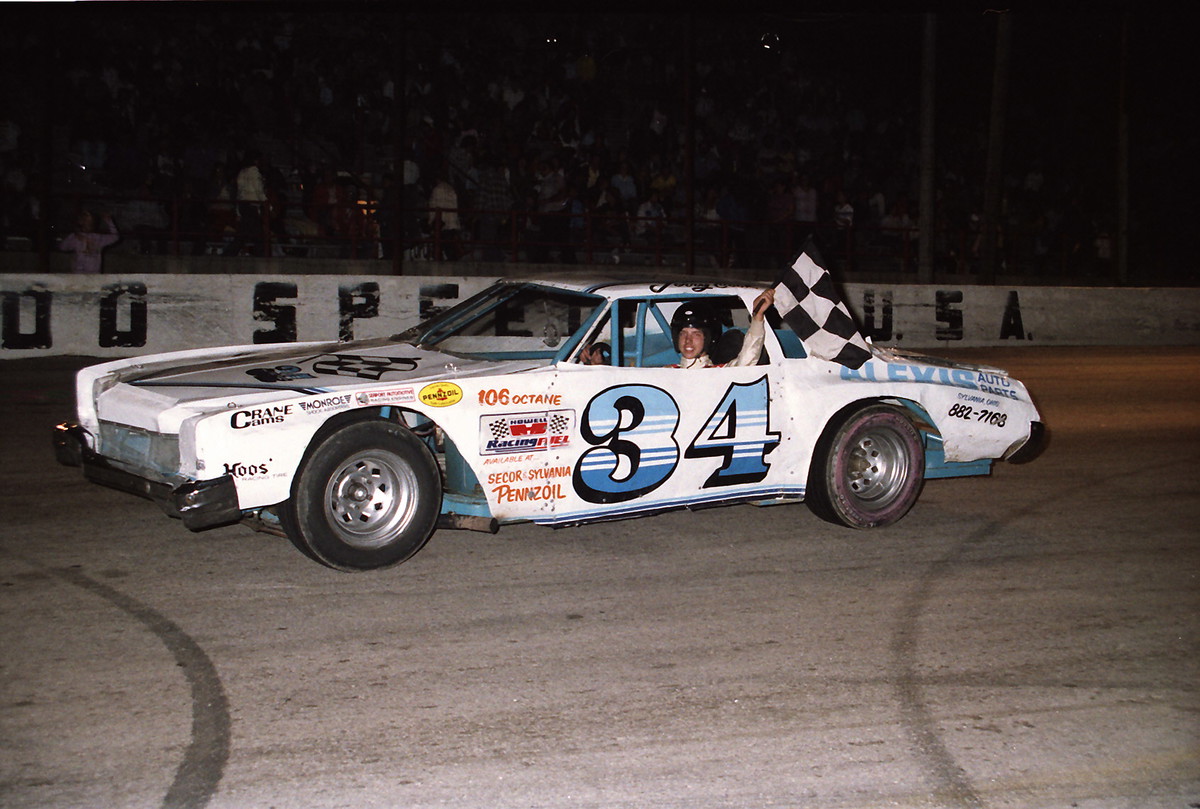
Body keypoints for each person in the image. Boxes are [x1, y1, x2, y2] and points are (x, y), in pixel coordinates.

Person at [580, 289, 775, 368]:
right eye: (683, 333)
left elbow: (748, 359)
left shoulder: (718, 372)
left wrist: (757, 318)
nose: (688, 341)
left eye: (696, 334)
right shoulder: (667, 371)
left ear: (708, 338)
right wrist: (598, 367)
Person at [59, 209, 119, 273]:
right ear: (80, 222)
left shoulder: (99, 238)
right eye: (85, 221)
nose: (88, 224)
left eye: (91, 221)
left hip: (94, 275)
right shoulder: (75, 237)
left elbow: (115, 237)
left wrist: (109, 222)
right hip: (78, 274)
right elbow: (62, 247)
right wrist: (73, 236)